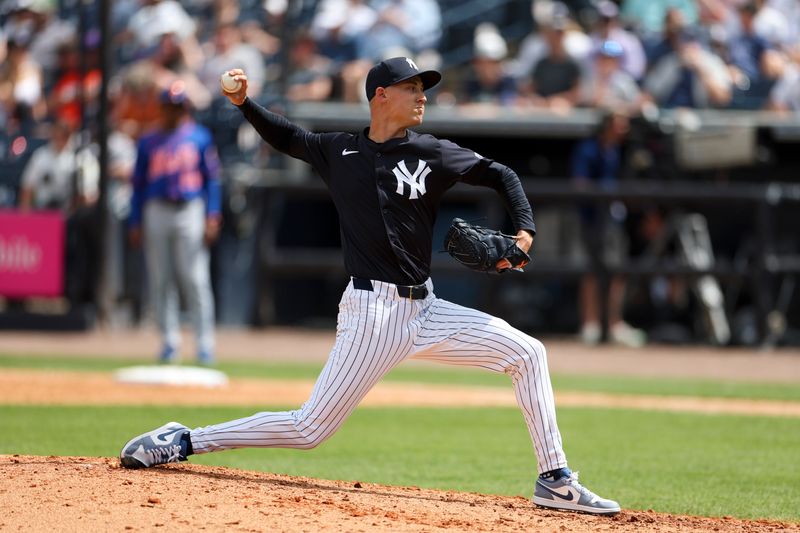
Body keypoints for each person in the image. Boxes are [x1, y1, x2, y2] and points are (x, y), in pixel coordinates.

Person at [119, 57, 620, 516]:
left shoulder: (431, 152)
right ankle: (184, 439)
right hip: (371, 315)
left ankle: (554, 479)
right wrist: (243, 103)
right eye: (412, 87)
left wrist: (525, 231)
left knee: (527, 353)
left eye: (424, 88)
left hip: (427, 311)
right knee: (309, 429)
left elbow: (502, 175)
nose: (423, 95)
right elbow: (286, 136)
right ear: (380, 94)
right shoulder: (340, 150)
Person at [128, 81, 221, 365]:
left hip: (190, 208)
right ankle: (169, 341)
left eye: (177, 106)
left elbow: (212, 180)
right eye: (169, 106)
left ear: (185, 108)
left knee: (195, 277)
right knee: (161, 278)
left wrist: (212, 214)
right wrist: (135, 220)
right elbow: (138, 184)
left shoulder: (200, 137)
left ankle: (205, 342)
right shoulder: (148, 140)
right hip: (156, 209)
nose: (173, 112)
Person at [569, 110, 646, 348]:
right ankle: (590, 324)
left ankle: (613, 324)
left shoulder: (616, 150)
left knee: (617, 271)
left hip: (612, 220)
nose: (624, 128)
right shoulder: (588, 149)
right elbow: (579, 183)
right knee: (593, 272)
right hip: (592, 219)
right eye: (619, 123)